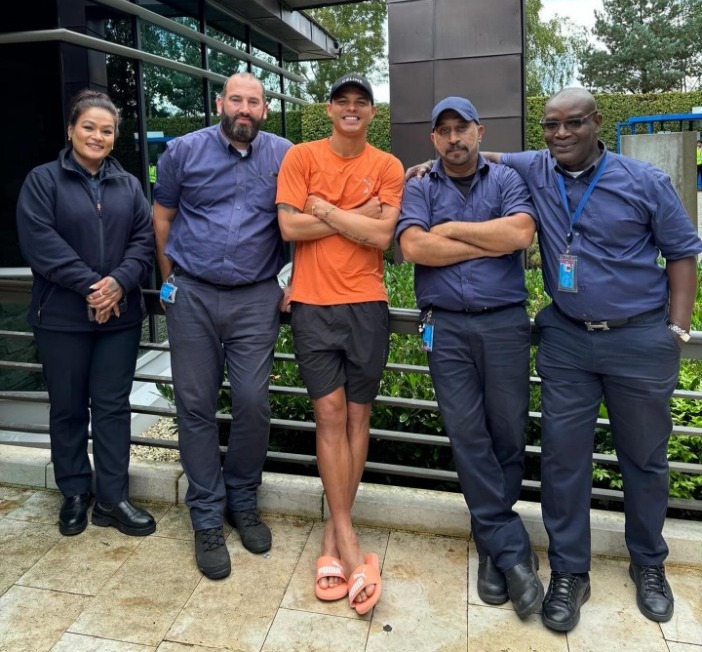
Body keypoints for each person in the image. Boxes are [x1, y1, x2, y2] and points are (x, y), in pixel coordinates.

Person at [396, 97, 543, 620]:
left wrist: (453, 230)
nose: (454, 138)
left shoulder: (505, 180)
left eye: (463, 128)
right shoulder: (419, 185)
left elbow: (520, 234)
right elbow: (414, 248)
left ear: (479, 131)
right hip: (446, 327)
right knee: (467, 434)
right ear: (433, 139)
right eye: (445, 131)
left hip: (503, 323)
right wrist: (489, 242)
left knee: (507, 431)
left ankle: (492, 547)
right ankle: (511, 554)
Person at [153, 73, 291, 580]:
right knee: (194, 406)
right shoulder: (182, 152)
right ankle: (207, 517)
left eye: (254, 101)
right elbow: (162, 217)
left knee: (254, 402)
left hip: (257, 297)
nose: (245, 109)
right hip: (192, 294)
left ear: (265, 108)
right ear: (220, 103)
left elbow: (296, 226)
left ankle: (242, 501)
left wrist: (291, 281)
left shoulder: (284, 155)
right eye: (236, 99)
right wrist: (171, 284)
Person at [276, 73, 404, 614]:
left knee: (357, 417)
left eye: (361, 103)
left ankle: (333, 538)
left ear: (372, 113)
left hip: (366, 304)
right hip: (311, 303)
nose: (352, 109)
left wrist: (323, 210)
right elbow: (288, 229)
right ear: (329, 109)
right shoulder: (300, 158)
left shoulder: (389, 166)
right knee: (328, 415)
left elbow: (383, 237)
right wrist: (356, 217)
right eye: (342, 101)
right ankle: (348, 540)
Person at [16, 89, 156, 538]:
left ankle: (113, 499)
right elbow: (41, 244)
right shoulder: (42, 181)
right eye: (89, 127)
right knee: (69, 408)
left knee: (113, 407)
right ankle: (75, 491)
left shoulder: (129, 185)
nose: (98, 136)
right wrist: (93, 288)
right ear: (72, 130)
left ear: (115, 137)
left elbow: (143, 242)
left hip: (120, 318)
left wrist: (117, 284)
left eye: (107, 129)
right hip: (61, 318)